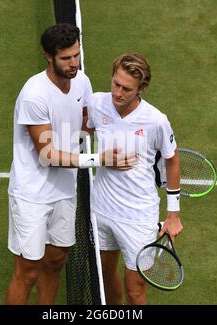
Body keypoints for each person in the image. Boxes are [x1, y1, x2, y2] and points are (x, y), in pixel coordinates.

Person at [5, 23, 132, 305]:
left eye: (76, 55)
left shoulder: (82, 82)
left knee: (55, 263)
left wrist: (122, 131)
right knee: (27, 272)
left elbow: (86, 125)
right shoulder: (34, 95)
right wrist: (99, 159)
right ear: (48, 57)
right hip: (32, 196)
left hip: (64, 191)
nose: (73, 63)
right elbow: (47, 154)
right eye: (66, 58)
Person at [86, 53, 183, 305]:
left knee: (135, 289)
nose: (118, 92)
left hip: (138, 217)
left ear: (141, 88)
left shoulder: (156, 121)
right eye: (115, 84)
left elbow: (172, 161)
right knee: (104, 278)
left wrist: (173, 215)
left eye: (126, 89)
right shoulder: (97, 103)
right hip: (101, 210)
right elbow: (82, 126)